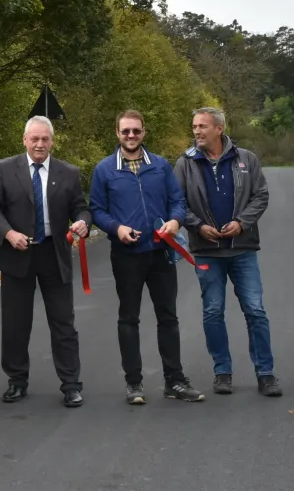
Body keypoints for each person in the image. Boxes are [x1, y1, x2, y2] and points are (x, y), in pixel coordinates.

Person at [89, 110, 204, 405]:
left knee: (168, 317)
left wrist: (176, 222)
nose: (131, 136)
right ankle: (134, 383)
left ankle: (174, 381)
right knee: (129, 318)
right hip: (126, 254)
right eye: (126, 131)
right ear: (117, 133)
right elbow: (97, 210)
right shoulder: (104, 170)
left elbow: (177, 201)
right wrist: (117, 228)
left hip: (161, 252)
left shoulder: (161, 166)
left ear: (144, 132)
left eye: (136, 131)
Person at [173, 107, 282, 397]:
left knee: (255, 310)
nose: (196, 131)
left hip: (242, 249)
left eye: (202, 126)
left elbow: (261, 195)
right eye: (194, 126)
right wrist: (196, 226)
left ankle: (266, 373)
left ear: (219, 129)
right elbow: (177, 201)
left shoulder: (247, 159)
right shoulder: (185, 163)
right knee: (212, 311)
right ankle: (222, 372)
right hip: (206, 251)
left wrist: (242, 223)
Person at [0, 115, 92, 407]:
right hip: (17, 253)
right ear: (24, 140)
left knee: (63, 323)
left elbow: (82, 210)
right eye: (34, 139)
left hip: (53, 254)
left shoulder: (68, 172)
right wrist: (7, 234)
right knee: (16, 323)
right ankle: (17, 381)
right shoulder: (5, 169)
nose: (40, 144)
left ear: (52, 141)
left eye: (45, 139)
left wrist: (83, 224)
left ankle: (71, 384)